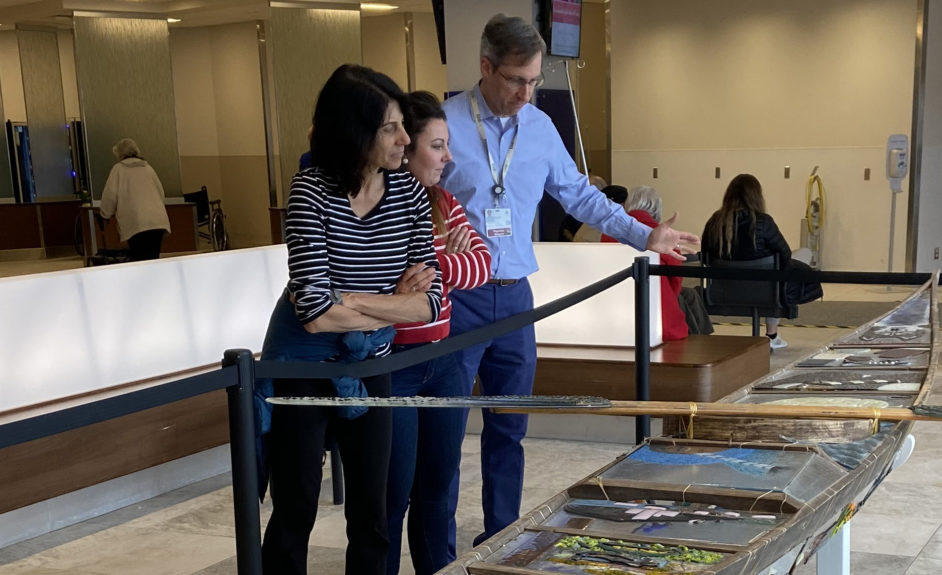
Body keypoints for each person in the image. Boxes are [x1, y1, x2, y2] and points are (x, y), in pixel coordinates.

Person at [439, 13, 700, 551]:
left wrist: (641, 235)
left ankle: (500, 538)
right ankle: (438, 552)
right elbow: (413, 202)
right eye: (516, 80)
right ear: (486, 67)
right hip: (455, 299)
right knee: (443, 433)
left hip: (515, 298)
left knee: (509, 428)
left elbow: (579, 196)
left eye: (535, 81)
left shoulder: (538, 127)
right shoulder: (445, 126)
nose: (527, 93)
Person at [259, 64, 442, 575]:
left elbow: (429, 304)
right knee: (295, 508)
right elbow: (314, 317)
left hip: (369, 366)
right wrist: (386, 301)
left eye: (404, 125)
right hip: (303, 366)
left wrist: (350, 299)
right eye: (390, 128)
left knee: (374, 513)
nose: (405, 139)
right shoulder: (310, 192)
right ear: (353, 130)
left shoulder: (407, 194)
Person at [386, 91, 492, 575]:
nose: (449, 157)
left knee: (437, 488)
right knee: (391, 496)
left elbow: (482, 265)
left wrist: (434, 264)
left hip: (445, 360)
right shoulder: (380, 204)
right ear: (404, 147)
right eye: (437, 145)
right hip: (397, 365)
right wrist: (437, 263)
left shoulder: (445, 202)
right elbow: (383, 280)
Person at [701, 173, 822, 349]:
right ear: (757, 196)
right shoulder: (763, 222)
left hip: (723, 291)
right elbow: (785, 254)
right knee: (803, 253)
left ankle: (772, 335)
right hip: (764, 292)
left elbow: (705, 255)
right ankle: (771, 334)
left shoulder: (715, 221)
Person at [601, 185, 688, 340]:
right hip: (660, 319)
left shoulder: (608, 234)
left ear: (628, 205)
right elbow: (676, 281)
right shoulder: (665, 236)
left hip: (615, 318)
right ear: (657, 209)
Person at [99, 138, 170, 261]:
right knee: (153, 259)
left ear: (120, 154)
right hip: (156, 221)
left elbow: (110, 195)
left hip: (136, 223)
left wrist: (105, 214)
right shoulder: (148, 168)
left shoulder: (118, 170)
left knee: (140, 260)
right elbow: (161, 194)